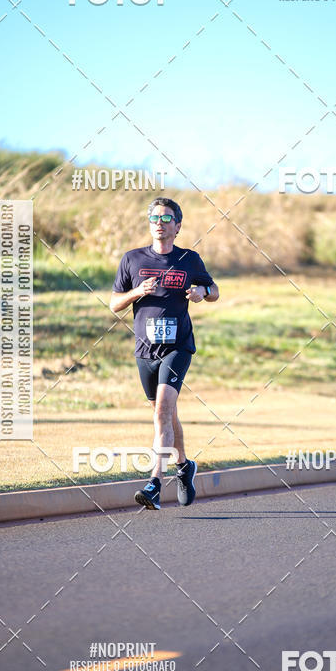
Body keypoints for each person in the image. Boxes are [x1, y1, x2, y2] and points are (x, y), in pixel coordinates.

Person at [110, 198, 219, 510]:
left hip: (178, 347)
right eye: (154, 217)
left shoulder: (189, 259)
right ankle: (184, 465)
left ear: (177, 226)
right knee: (166, 414)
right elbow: (114, 303)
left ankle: (154, 482)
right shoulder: (131, 259)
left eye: (166, 217)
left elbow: (213, 291)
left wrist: (202, 293)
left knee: (161, 413)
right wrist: (137, 292)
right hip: (145, 350)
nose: (159, 222)